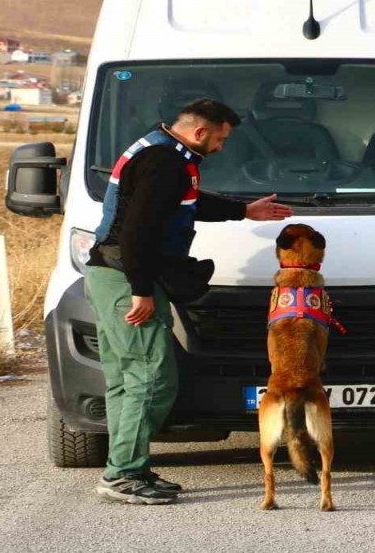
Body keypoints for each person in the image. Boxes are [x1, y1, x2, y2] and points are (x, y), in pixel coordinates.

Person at [85, 98, 293, 505]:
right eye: (220, 139)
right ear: (200, 132)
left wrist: (243, 211)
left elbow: (184, 202)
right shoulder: (165, 162)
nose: (221, 147)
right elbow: (137, 232)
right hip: (126, 279)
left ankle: (127, 467)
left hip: (108, 275)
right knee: (151, 378)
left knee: (126, 380)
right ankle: (122, 474)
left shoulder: (159, 150)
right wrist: (141, 290)